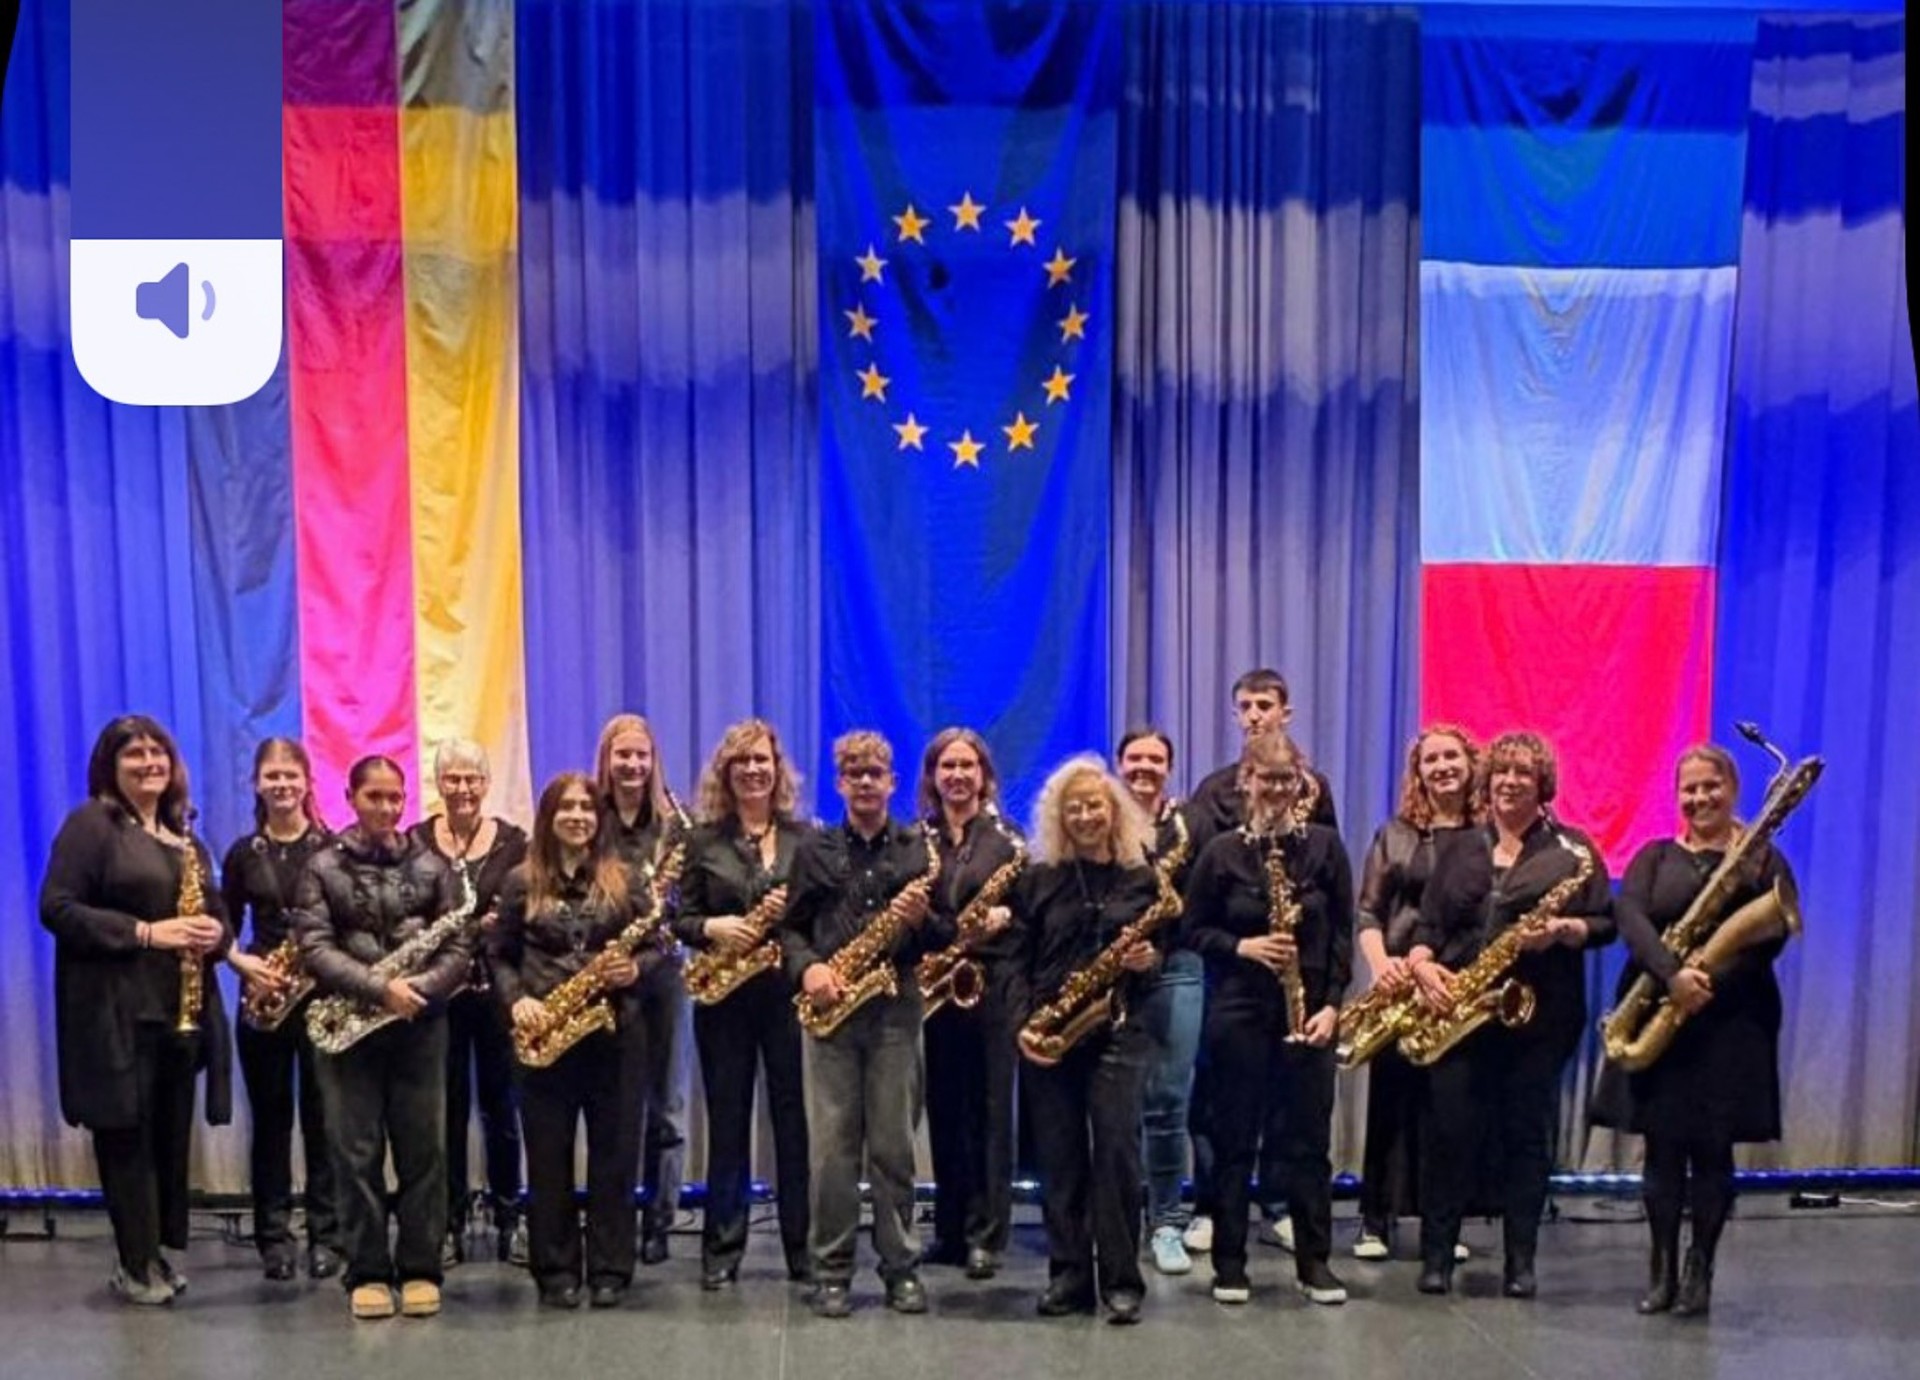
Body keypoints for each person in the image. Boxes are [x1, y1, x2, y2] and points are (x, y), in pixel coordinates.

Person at [1591, 744, 1799, 1318]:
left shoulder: (1761, 859)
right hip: (1660, 1006)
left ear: (1732, 789)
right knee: (1661, 1149)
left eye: (1711, 786)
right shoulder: (1655, 856)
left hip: (1733, 1019)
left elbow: (1773, 933)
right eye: (1689, 788)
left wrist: (1706, 979)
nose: (1700, 797)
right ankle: (1660, 1269)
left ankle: (1700, 1268)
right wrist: (1673, 975)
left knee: (1713, 1151)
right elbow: (1630, 916)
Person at [1408, 731, 1614, 1298]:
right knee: (1448, 1136)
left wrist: (1565, 929)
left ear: (1542, 784)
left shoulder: (1573, 852)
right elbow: (1429, 924)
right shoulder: (1460, 847)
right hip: (1460, 1013)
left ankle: (1520, 1261)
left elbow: (1606, 923)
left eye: (1523, 772)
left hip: (1538, 1017)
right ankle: (1436, 1257)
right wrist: (1422, 963)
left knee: (1526, 1137)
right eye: (1501, 771)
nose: (1510, 781)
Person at [39, 714, 232, 1305]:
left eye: (158, 752)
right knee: (125, 1137)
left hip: (178, 1014)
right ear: (110, 765)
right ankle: (135, 1262)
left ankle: (154, 1253)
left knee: (167, 1139)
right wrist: (146, 932)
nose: (150, 763)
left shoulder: (184, 836)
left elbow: (218, 920)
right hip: (115, 1015)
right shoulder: (91, 825)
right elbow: (57, 908)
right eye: (134, 754)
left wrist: (214, 933)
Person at [294, 755, 467, 1320]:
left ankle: (420, 1267)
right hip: (349, 1029)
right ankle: (366, 1271)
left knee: (425, 1152)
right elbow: (314, 947)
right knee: (355, 1153)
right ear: (350, 797)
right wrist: (377, 989)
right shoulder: (321, 867)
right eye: (374, 796)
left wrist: (422, 987)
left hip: (419, 1026)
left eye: (395, 797)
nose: (387, 807)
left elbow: (458, 947)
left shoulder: (434, 865)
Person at [1183, 731, 1352, 1307]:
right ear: (1246, 781)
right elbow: (1192, 930)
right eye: (1267, 778)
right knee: (1234, 1141)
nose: (1277, 789)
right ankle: (1230, 1265)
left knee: (1308, 1144)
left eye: (1287, 779)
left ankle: (1315, 1263)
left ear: (1300, 782)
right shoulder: (1221, 852)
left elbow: (1342, 934)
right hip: (1240, 1011)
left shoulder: (1325, 847)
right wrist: (1243, 947)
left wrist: (1332, 1004)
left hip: (1310, 1012)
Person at [780, 730, 935, 1319]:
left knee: (894, 1147)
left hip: (896, 1013)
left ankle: (901, 1269)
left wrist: (922, 920)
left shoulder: (916, 849)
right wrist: (810, 968)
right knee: (832, 1152)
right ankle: (832, 1271)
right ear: (839, 783)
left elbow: (942, 934)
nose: (865, 782)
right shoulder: (814, 850)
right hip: (831, 1015)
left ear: (892, 782)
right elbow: (791, 929)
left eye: (875, 773)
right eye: (854, 774)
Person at [1013, 754, 1163, 1325]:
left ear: (1114, 810)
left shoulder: (1141, 879)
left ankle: (1122, 1280)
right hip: (1051, 1031)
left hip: (1120, 1029)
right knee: (1061, 1157)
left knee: (1118, 1152)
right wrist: (1023, 1023)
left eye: (1094, 805)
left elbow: (1162, 955)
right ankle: (1069, 1276)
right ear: (1059, 815)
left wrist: (1149, 960)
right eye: (1073, 807)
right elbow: (1015, 961)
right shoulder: (1039, 880)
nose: (1084, 816)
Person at [493, 773, 650, 1310]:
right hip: (545, 1034)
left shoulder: (626, 880)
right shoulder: (520, 881)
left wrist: (636, 968)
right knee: (547, 1158)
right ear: (549, 817)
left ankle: (610, 1269)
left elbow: (658, 947)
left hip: (614, 1035)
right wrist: (517, 999)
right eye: (567, 807)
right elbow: (499, 955)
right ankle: (555, 1269)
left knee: (615, 1157)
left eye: (587, 807)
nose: (578, 816)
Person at [673, 718, 813, 1289]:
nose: (753, 770)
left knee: (794, 1123)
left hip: (787, 996)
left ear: (777, 770)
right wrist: (713, 926)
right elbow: (679, 918)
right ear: (725, 772)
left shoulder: (806, 838)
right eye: (742, 762)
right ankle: (722, 1249)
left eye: (762, 760)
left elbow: (819, 916)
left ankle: (803, 1248)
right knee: (727, 1123)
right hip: (724, 998)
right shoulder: (701, 841)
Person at [1350, 725, 1480, 1262]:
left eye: (1452, 756)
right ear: (1418, 772)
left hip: (1460, 987)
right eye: (1431, 759)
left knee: (1449, 1112)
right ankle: (1375, 1221)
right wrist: (1382, 966)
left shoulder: (1487, 835)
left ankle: (1441, 1224)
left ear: (1471, 764)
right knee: (1390, 1103)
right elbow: (1368, 912)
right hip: (1401, 985)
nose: (1442, 766)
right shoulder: (1396, 834)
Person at [222, 737, 342, 1281]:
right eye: (271, 775)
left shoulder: (332, 848)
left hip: (322, 998)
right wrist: (244, 965)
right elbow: (223, 926)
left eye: (291, 775)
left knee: (324, 1120)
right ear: (256, 784)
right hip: (265, 997)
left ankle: (326, 1234)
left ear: (307, 782)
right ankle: (273, 1236)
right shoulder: (243, 853)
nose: (282, 784)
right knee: (270, 1122)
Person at [409, 739, 528, 1268]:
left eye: (472, 778)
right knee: (446, 1113)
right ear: (439, 783)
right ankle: (449, 1221)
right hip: (439, 998)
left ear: (486, 783)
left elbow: (523, 911)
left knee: (503, 1110)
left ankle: (510, 1218)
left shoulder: (515, 843)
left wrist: (494, 926)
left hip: (498, 995)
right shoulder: (415, 842)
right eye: (452, 778)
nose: (462, 788)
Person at [916, 727, 1024, 1281]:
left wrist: (1006, 917)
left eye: (967, 766)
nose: (957, 775)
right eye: (947, 766)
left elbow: (1032, 912)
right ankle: (950, 1231)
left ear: (984, 775)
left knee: (989, 1113)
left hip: (993, 986)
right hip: (938, 990)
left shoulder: (1009, 841)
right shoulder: (919, 839)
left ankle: (987, 1234)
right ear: (933, 777)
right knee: (945, 1111)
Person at [594, 712, 692, 1264]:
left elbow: (686, 909)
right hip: (604, 973)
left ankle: (660, 1221)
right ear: (606, 761)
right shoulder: (588, 817)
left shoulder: (676, 826)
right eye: (622, 755)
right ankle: (613, 1221)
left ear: (654, 762)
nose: (632, 764)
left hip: (664, 974)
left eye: (641, 755)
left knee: (667, 1108)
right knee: (614, 1108)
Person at [1114, 727, 1203, 1276]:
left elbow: (1207, 901)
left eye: (1155, 758)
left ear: (1169, 766)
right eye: (1135, 757)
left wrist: (1159, 948)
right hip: (1112, 973)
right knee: (1114, 1106)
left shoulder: (1189, 825)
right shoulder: (1100, 817)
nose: (1144, 767)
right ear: (1119, 763)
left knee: (1169, 1098)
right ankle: (1115, 1222)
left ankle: (1167, 1221)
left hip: (1176, 966)